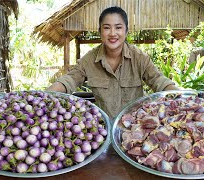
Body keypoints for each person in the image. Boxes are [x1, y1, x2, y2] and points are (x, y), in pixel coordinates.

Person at [47, 6, 179, 119]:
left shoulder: (140, 58)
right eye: (106, 28)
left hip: (134, 130)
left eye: (118, 27)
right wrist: (44, 97)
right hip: (103, 131)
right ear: (100, 32)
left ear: (126, 31)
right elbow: (69, 80)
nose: (112, 33)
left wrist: (182, 98)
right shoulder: (89, 60)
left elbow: (159, 81)